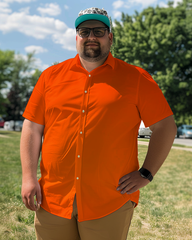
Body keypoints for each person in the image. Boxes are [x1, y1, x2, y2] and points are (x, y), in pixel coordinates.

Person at [20, 7, 177, 240]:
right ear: (76, 38)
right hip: (53, 199)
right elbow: (32, 127)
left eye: (99, 31)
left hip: (109, 200)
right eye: (84, 31)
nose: (91, 37)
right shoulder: (50, 77)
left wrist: (146, 173)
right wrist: (28, 177)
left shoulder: (137, 78)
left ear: (110, 37)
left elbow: (166, 127)